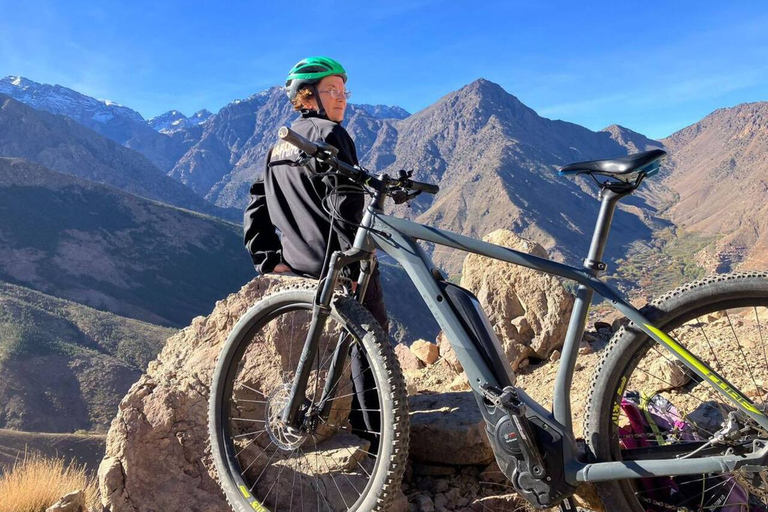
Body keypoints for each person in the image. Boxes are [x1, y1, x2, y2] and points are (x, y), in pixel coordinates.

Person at [243, 56, 387, 448]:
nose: (341, 98)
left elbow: (256, 207)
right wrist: (352, 261)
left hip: (300, 272)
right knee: (371, 342)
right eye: (332, 90)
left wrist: (270, 260)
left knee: (337, 345)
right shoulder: (331, 134)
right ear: (307, 97)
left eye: (344, 90)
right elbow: (348, 202)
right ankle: (375, 433)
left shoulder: (276, 149)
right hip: (340, 263)